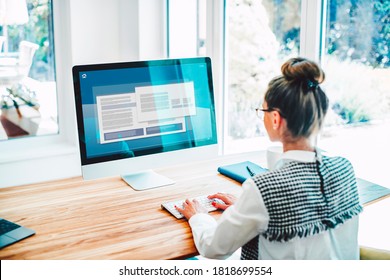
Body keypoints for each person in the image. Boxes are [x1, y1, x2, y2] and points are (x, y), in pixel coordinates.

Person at [176, 57, 363, 260]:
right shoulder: (344, 168)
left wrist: (198, 216)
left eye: (262, 110)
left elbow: (214, 249)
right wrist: (246, 209)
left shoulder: (265, 188)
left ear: (275, 119)